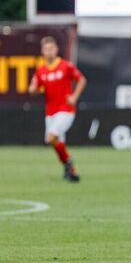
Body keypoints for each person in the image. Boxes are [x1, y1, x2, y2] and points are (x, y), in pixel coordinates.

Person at [28, 36, 86, 182]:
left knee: (51, 137)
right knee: (55, 143)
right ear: (42, 51)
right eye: (46, 49)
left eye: (52, 48)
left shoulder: (65, 66)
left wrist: (74, 97)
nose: (49, 51)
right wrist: (33, 88)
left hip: (66, 110)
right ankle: (70, 169)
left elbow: (81, 80)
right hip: (50, 112)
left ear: (56, 49)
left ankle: (69, 164)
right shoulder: (41, 71)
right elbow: (33, 90)